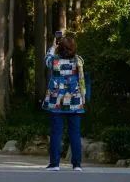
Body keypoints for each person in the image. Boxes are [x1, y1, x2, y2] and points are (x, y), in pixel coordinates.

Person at [42, 32, 85, 171]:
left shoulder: (54, 60)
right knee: (75, 133)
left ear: (60, 47)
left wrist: (53, 47)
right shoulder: (78, 60)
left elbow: (46, 59)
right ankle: (77, 164)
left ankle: (54, 164)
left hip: (57, 102)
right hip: (75, 101)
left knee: (56, 132)